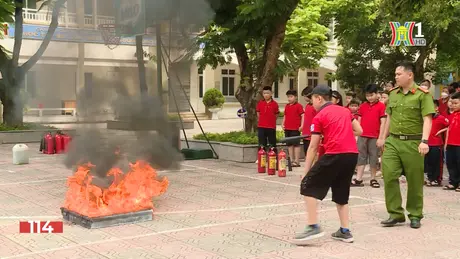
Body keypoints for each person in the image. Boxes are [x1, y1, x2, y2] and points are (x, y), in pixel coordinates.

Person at [293, 85, 362, 245]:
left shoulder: (320, 115)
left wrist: (306, 171)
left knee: (307, 185)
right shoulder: (345, 111)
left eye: (312, 100)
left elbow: (313, 146)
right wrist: (338, 133)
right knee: (341, 192)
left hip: (334, 154)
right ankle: (345, 231)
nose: (311, 103)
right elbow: (359, 129)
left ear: (319, 98)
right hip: (351, 155)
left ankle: (312, 226)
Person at [377, 61, 435, 229]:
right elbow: (388, 118)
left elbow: (427, 119)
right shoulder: (393, 94)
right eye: (395, 74)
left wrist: (424, 141)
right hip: (393, 141)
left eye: (398, 74)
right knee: (388, 175)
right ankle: (395, 213)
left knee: (415, 180)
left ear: (410, 75)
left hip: (413, 142)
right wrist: (383, 137)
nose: (396, 77)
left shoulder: (422, 94)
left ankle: (415, 214)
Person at [352, 84, 387, 188]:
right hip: (362, 135)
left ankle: (373, 178)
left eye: (371, 95)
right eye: (367, 95)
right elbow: (359, 120)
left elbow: (383, 123)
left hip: (375, 136)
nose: (369, 98)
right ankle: (358, 179)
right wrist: (357, 134)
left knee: (374, 158)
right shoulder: (363, 106)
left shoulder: (381, 106)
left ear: (377, 94)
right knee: (361, 157)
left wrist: (381, 137)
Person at [425, 99, 450, 186]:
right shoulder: (425, 118)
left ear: (436, 108)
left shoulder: (441, 118)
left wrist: (441, 131)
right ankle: (429, 178)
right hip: (426, 143)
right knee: (428, 162)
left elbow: (449, 125)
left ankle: (436, 179)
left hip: (436, 144)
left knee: (436, 162)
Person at [283, 90, 304, 167]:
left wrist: (302, 125)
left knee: (296, 145)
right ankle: (291, 160)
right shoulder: (287, 106)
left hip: (295, 128)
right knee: (289, 144)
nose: (289, 98)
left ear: (295, 97)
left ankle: (297, 161)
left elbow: (302, 116)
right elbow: (285, 115)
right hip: (287, 128)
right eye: (288, 97)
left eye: (291, 97)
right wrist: (283, 124)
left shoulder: (299, 106)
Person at [443, 92, 460, 191]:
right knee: (451, 163)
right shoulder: (451, 115)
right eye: (452, 103)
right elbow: (449, 129)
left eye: (456, 103)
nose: (453, 105)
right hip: (451, 143)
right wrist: (446, 143)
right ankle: (453, 182)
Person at [257, 86, 279, 152]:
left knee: (272, 143)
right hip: (261, 126)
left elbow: (276, 114)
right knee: (261, 143)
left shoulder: (275, 104)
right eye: (264, 93)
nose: (266, 95)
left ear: (271, 93)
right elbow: (258, 113)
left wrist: (271, 120)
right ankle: (261, 158)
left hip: (271, 127)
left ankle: (273, 158)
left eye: (267, 93)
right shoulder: (260, 103)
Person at [301, 86, 316, 154]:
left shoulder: (315, 107)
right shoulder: (307, 106)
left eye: (304, 96)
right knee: (306, 152)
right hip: (305, 134)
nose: (304, 98)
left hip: (312, 134)